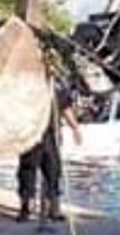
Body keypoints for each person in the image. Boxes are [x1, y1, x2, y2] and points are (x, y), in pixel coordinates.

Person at [16, 80, 81, 225]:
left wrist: (75, 128)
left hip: (51, 135)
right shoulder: (26, 88)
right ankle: (26, 208)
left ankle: (53, 209)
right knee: (27, 171)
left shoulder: (56, 87)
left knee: (53, 172)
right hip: (31, 135)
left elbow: (65, 108)